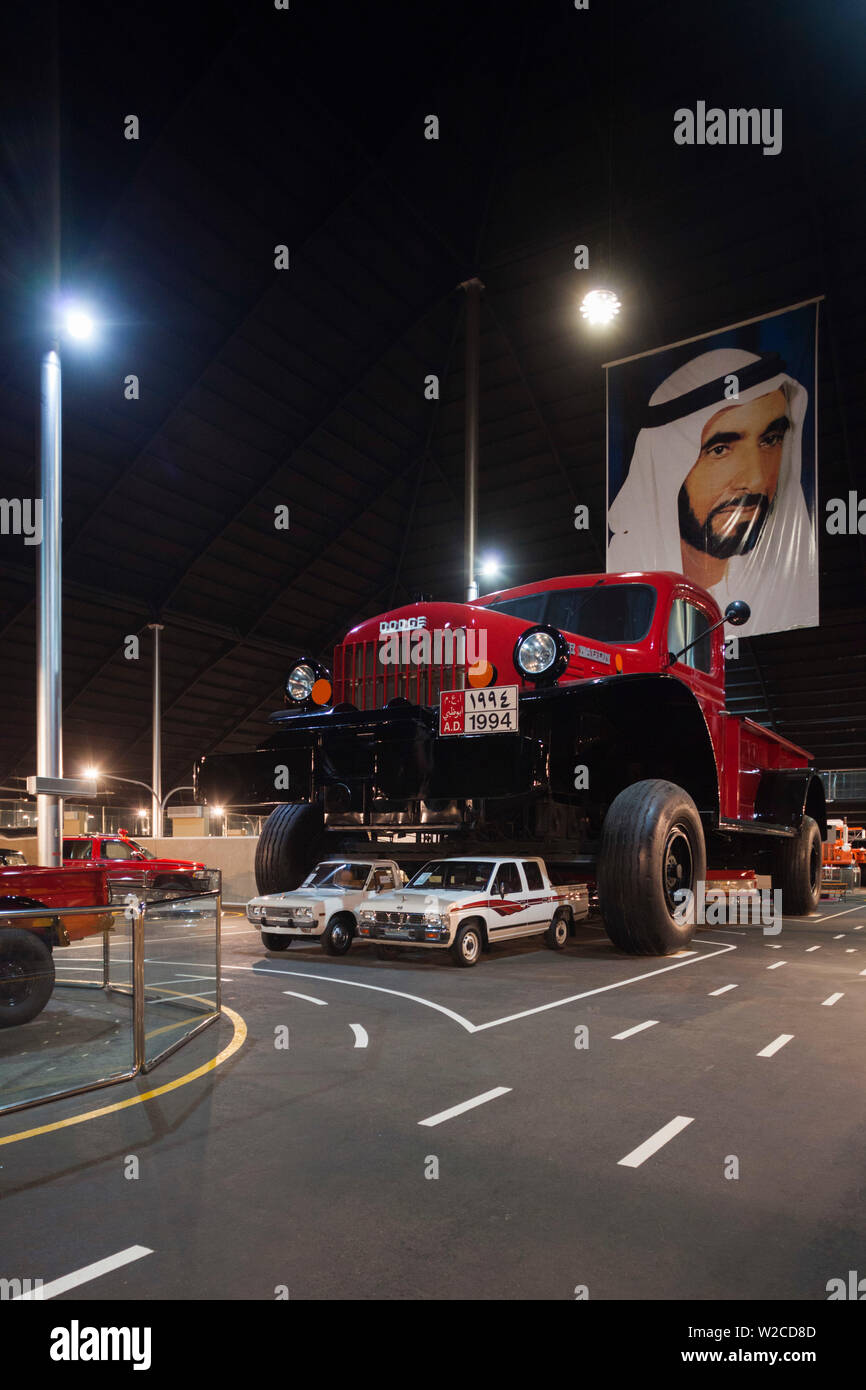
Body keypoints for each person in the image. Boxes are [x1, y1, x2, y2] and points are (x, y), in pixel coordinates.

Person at [607, 348, 817, 637]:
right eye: (720, 450)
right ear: (668, 469)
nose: (756, 480)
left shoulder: (780, 589)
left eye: (770, 440)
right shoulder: (622, 595)